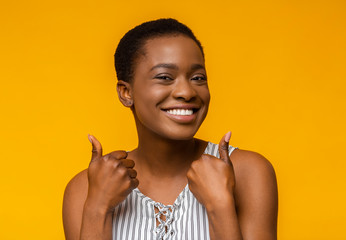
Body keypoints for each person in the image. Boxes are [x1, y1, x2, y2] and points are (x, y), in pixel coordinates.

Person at [62, 18, 278, 240]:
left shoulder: (248, 173)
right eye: (165, 77)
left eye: (198, 78)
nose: (186, 91)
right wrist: (98, 209)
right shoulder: (84, 190)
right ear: (126, 93)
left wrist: (220, 206)